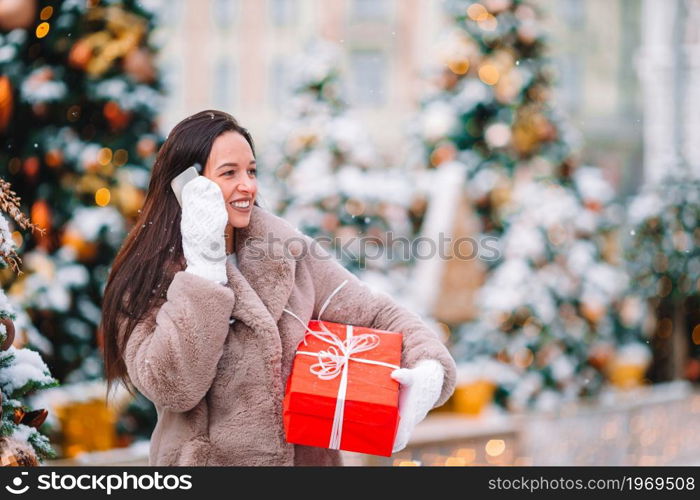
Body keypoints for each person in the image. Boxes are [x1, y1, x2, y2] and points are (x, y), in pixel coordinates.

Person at [100, 109, 457, 466]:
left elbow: (376, 312)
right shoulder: (147, 277)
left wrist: (428, 364)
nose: (249, 186)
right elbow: (173, 386)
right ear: (187, 184)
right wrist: (204, 271)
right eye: (229, 173)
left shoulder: (287, 251)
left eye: (252, 171)